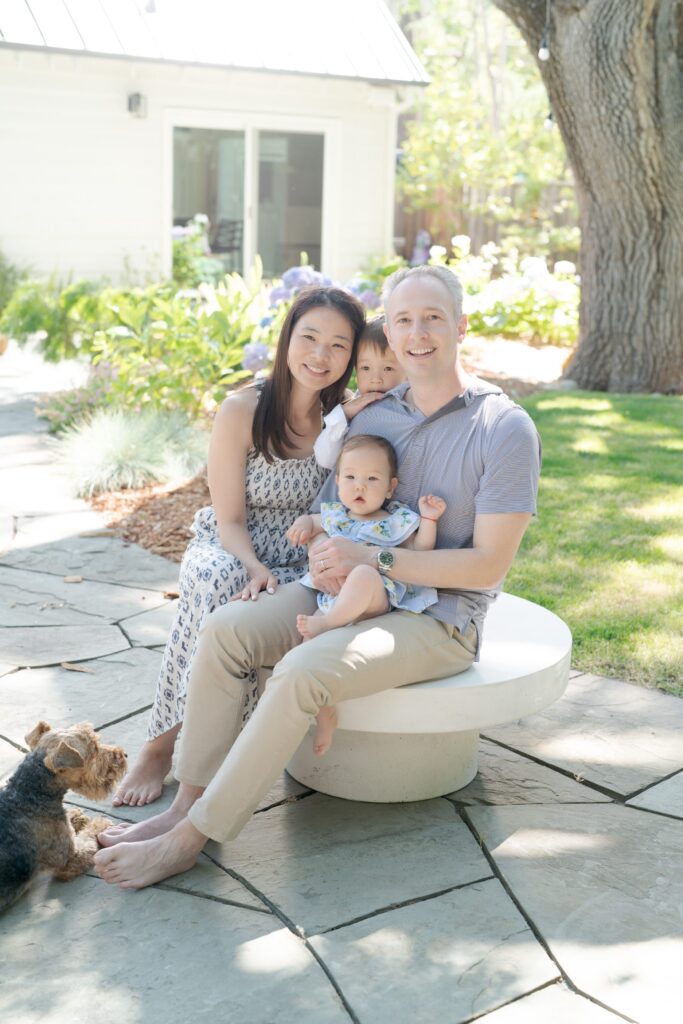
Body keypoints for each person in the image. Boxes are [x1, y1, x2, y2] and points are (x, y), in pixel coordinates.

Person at [95, 263, 542, 890]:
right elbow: (334, 520)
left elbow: (488, 565)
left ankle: (191, 840)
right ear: (388, 329)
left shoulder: (503, 428)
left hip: (435, 617)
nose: (417, 335)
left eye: (433, 318)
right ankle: (182, 805)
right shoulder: (375, 416)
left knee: (301, 671)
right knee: (226, 629)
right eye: (403, 320)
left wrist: (376, 563)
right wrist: (328, 562)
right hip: (342, 590)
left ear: (460, 326)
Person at [112, 285, 366, 807]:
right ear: (287, 339)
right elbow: (227, 518)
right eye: (310, 337)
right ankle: (161, 745)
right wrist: (251, 565)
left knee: (313, 594)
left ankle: (222, 755)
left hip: (299, 554)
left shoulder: (344, 419)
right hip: (231, 545)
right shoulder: (242, 409)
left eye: (339, 345)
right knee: (225, 584)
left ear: (352, 356)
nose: (321, 355)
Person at [288, 433, 446, 754]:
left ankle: (329, 623)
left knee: (362, 573)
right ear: (339, 481)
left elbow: (420, 549)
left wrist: (429, 520)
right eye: (350, 477)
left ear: (390, 487)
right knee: (302, 652)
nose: (359, 486)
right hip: (335, 599)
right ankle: (325, 712)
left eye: (372, 479)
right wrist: (304, 524)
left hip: (377, 595)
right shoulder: (335, 515)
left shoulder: (395, 520)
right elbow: (313, 522)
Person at [313, 315, 405, 469]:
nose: (375, 379)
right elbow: (325, 459)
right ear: (356, 369)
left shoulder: (410, 407)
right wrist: (343, 414)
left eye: (388, 368)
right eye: (365, 368)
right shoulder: (352, 411)